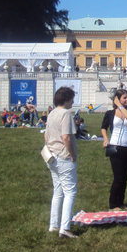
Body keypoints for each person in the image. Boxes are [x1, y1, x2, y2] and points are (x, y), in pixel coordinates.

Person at [43, 86, 79, 239]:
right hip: (64, 156)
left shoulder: (52, 113)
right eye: (72, 99)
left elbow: (46, 135)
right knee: (70, 192)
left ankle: (53, 224)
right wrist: (73, 154)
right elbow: (67, 137)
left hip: (51, 155)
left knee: (57, 191)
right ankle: (65, 227)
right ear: (67, 100)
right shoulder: (65, 114)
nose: (73, 102)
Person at [100, 89, 127, 210]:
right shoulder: (110, 113)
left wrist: (120, 105)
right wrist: (106, 139)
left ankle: (120, 202)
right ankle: (113, 203)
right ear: (118, 99)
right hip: (115, 147)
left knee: (125, 178)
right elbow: (103, 127)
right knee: (118, 177)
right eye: (124, 98)